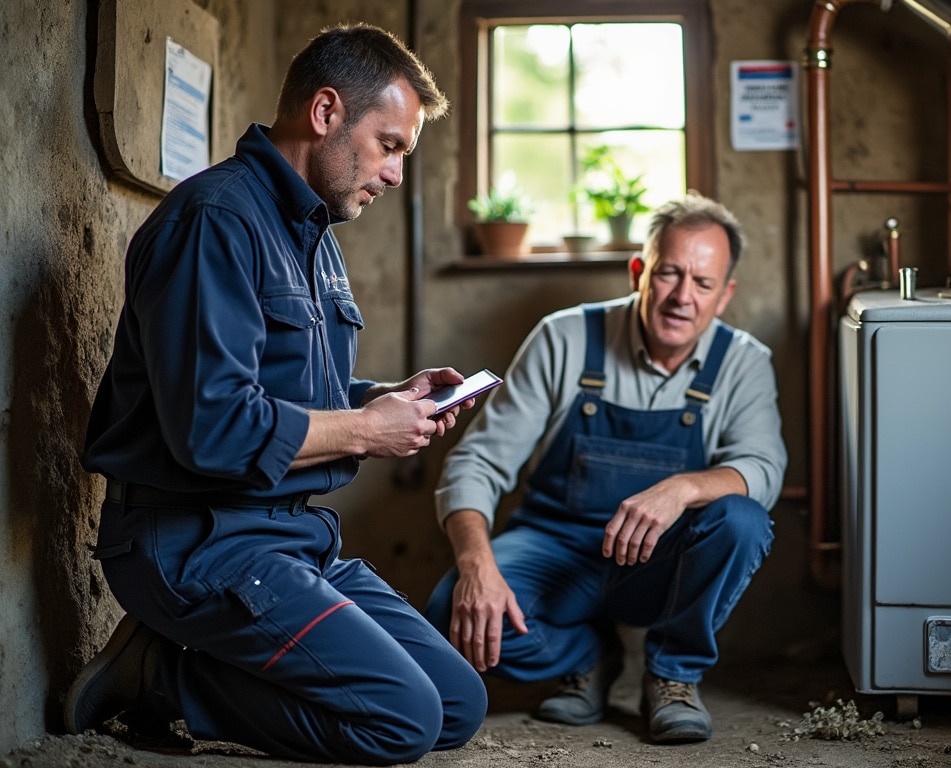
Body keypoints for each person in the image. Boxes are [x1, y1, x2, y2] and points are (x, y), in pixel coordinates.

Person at [68, 23, 487, 765]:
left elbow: (292, 391)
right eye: (389, 145)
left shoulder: (313, 234)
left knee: (457, 702)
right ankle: (162, 676)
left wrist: (384, 399)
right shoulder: (217, 221)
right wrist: (365, 431)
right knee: (402, 722)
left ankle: (188, 666)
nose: (395, 173)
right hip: (195, 541)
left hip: (284, 538)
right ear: (325, 113)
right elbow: (216, 428)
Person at [424, 192, 787, 743]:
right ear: (638, 270)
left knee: (741, 520)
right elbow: (478, 461)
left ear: (725, 294)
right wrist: (477, 566)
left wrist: (683, 488)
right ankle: (589, 655)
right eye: (669, 274)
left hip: (658, 564)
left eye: (703, 283)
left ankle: (672, 677)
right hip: (556, 550)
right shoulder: (564, 337)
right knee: (454, 611)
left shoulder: (744, 361)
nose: (682, 297)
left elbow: (762, 467)